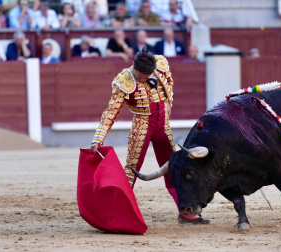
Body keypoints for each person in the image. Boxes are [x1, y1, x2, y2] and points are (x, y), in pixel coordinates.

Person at [90, 48, 210, 224]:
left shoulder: (160, 64)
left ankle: (186, 211)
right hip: (142, 125)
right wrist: (98, 138)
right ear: (135, 67)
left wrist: (169, 102)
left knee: (173, 168)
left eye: (147, 76)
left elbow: (169, 82)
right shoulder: (124, 80)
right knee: (131, 170)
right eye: (140, 76)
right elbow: (111, 112)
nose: (143, 79)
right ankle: (118, 213)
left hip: (163, 126)